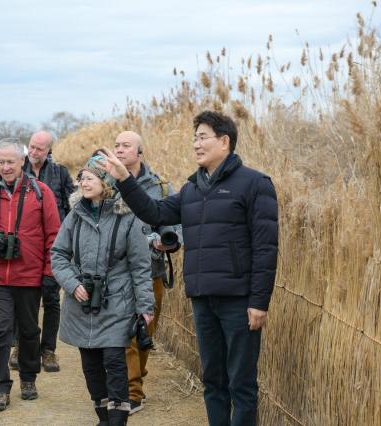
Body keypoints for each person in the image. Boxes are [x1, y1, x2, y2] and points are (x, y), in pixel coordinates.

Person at [99, 111, 279, 426]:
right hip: (202, 297)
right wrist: (125, 180)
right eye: (195, 138)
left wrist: (258, 302)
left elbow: (266, 249)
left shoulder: (255, 184)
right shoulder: (192, 188)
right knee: (213, 381)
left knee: (242, 384)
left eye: (203, 137)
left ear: (224, 141)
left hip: (239, 300)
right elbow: (154, 211)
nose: (196, 144)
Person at [50, 154, 155, 426]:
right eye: (82, 177)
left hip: (117, 301)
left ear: (106, 181)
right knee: (91, 365)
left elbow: (141, 266)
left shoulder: (128, 217)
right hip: (82, 302)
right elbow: (59, 255)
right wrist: (73, 284)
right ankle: (104, 417)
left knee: (114, 360)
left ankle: (118, 419)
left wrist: (145, 307)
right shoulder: (75, 215)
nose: (83, 182)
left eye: (90, 177)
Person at [0, 138, 61, 412]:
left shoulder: (41, 192)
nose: (6, 167)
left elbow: (54, 236)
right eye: (1, 162)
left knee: (29, 331)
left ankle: (28, 378)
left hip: (30, 275)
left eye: (11, 161)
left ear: (22, 161)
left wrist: (49, 274)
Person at [112, 131, 182, 415]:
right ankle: (132, 392)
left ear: (140, 153)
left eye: (126, 146)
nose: (119, 150)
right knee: (123, 332)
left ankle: (136, 376)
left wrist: (165, 241)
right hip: (116, 271)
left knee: (145, 330)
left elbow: (178, 224)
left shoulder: (161, 186)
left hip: (152, 269)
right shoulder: (106, 183)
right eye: (116, 145)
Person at [8, 130, 75, 373]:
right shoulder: (17, 170)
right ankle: (19, 346)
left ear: (49, 151)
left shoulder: (60, 173)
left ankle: (48, 350)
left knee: (51, 298)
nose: (34, 153)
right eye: (32, 147)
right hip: (23, 244)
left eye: (40, 149)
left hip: (54, 244)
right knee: (23, 297)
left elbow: (74, 203)